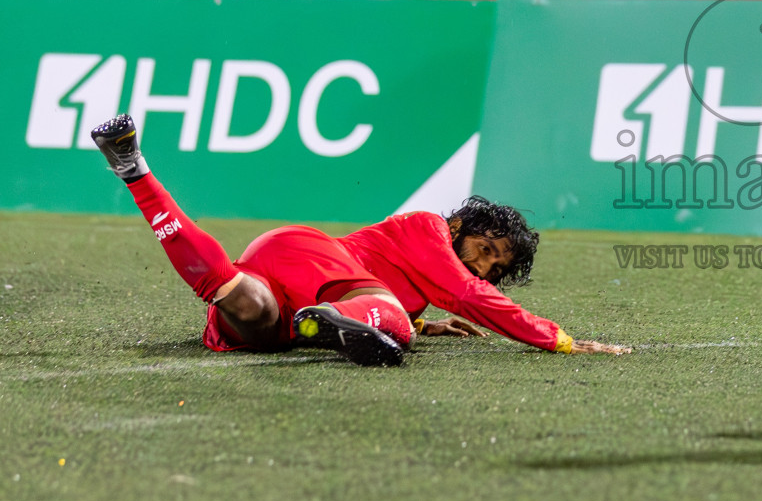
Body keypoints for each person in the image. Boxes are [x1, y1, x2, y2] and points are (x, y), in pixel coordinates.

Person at [89, 113, 629, 365]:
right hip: (316, 260)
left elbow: (436, 288)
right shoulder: (426, 229)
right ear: (459, 227)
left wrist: (423, 320)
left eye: (495, 266)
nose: (483, 268)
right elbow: (465, 294)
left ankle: (135, 170)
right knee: (392, 323)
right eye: (484, 250)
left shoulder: (416, 261)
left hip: (284, 285)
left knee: (242, 300)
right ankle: (357, 324)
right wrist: (553, 337)